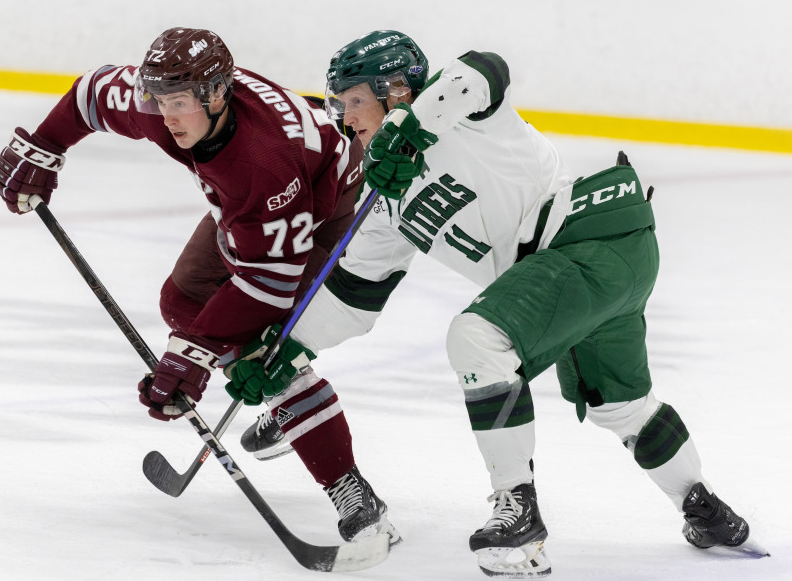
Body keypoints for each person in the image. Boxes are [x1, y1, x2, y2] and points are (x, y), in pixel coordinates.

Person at [227, 30, 756, 578]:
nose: (345, 117)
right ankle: (705, 508)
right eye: (339, 105)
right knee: (618, 407)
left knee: (477, 336)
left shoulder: (457, 111)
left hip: (585, 235)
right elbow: (354, 294)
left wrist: (411, 130)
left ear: (397, 90)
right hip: (600, 269)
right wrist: (287, 351)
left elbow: (485, 68)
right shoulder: (383, 199)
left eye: (354, 100)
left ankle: (518, 512)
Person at [0, 27, 400, 545]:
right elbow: (92, 93)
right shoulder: (164, 103)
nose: (165, 116)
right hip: (249, 204)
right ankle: (294, 412)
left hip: (328, 202)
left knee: (265, 351)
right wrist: (42, 148)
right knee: (183, 302)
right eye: (156, 100)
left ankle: (349, 483)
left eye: (178, 103)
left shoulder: (263, 163)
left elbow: (268, 285)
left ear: (216, 94)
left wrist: (194, 355)